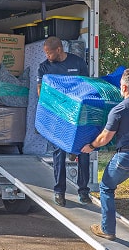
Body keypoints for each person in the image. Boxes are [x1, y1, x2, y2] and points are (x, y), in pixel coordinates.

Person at [81, 68, 129, 250]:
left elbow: (105, 137)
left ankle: (107, 229)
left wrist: (90, 146)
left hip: (126, 158)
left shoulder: (120, 110)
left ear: (123, 87)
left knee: (106, 187)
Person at [37, 36, 92, 206]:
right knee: (59, 152)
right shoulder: (44, 67)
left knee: (83, 151)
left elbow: (86, 86)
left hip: (77, 115)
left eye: (49, 52)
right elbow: (41, 92)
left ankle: (83, 191)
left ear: (59, 50)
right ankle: (59, 191)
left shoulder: (78, 63)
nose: (47, 56)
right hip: (58, 116)